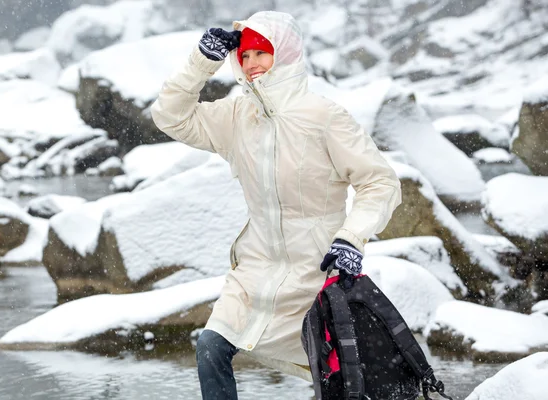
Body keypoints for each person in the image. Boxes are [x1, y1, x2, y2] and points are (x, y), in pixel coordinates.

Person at [151, 10, 401, 400]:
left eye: (260, 53)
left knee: (338, 382)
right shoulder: (237, 115)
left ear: (284, 54)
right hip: (254, 272)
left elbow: (379, 181)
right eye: (244, 56)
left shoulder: (323, 116)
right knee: (211, 348)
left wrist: (352, 238)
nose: (250, 65)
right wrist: (202, 62)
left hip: (317, 274)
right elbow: (170, 116)